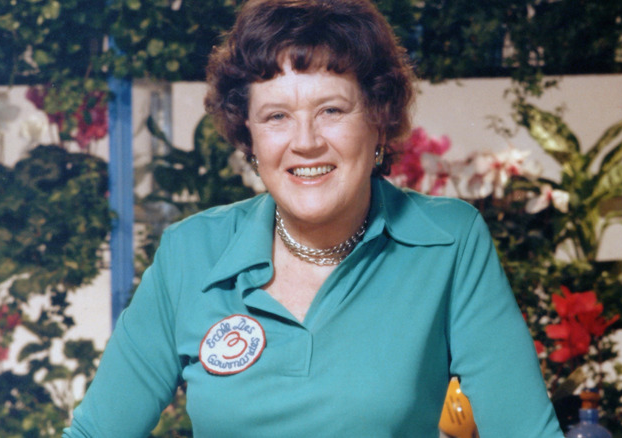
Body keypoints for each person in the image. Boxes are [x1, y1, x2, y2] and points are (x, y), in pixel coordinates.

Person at [64, 0, 563, 436]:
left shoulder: (448, 242)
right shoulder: (189, 253)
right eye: (276, 116)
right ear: (250, 137)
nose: (304, 141)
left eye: (331, 110)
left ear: (378, 121)